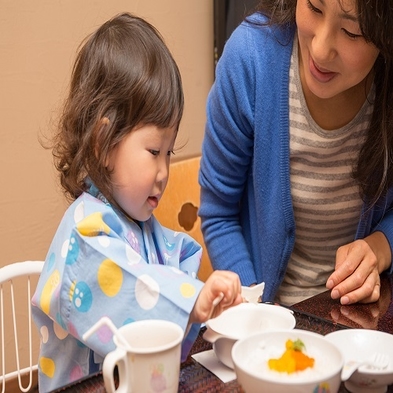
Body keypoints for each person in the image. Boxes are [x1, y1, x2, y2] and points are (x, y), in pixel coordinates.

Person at [32, 12, 242, 392]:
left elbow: (168, 262)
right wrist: (191, 299)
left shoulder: (137, 221)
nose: (164, 171)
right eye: (153, 150)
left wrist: (208, 298)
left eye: (169, 152)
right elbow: (129, 288)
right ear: (103, 144)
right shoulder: (84, 234)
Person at [199, 0, 393, 308]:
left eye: (351, 31)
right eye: (314, 8)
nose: (319, 49)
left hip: (363, 325)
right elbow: (219, 214)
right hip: (269, 321)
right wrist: (255, 311)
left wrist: (382, 245)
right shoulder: (250, 59)